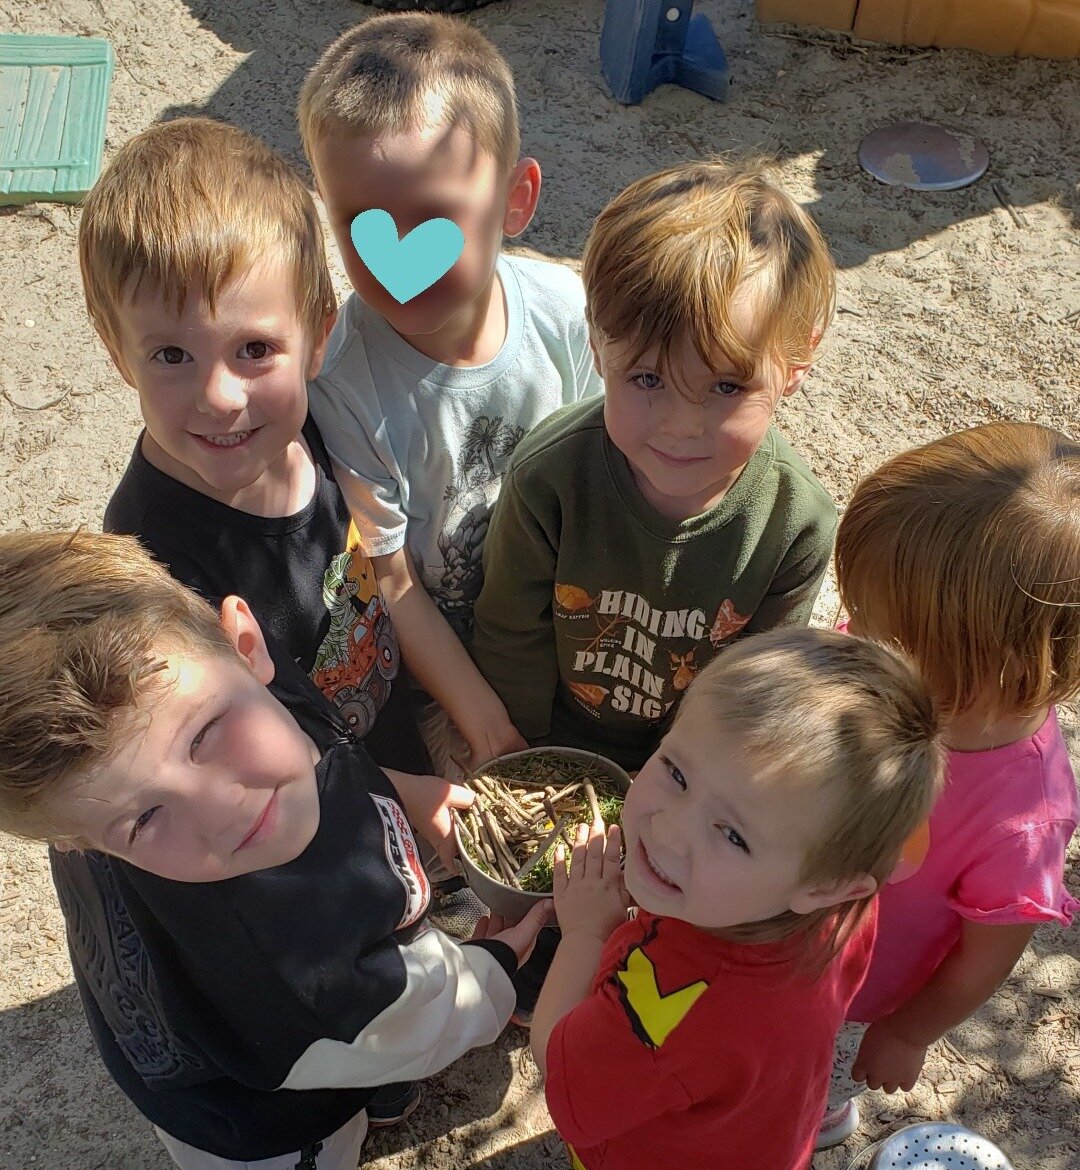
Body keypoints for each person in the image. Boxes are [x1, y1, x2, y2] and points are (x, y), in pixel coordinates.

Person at [0, 529, 551, 1170]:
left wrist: (406, 786)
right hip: (253, 1115)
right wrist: (495, 968)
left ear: (246, 644)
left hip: (185, 1043)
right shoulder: (287, 964)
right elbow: (412, 1020)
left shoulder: (133, 775)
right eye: (147, 815)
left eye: (205, 734)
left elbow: (330, 755)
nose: (222, 810)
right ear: (80, 840)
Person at [497, 628, 945, 1170]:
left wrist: (584, 933)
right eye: (675, 770)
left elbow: (561, 1071)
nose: (667, 831)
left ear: (823, 882)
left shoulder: (671, 1005)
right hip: (745, 1148)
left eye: (732, 835)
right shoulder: (840, 903)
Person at [299, 13, 602, 773]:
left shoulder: (564, 312)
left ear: (515, 200)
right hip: (443, 666)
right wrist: (487, 722)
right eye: (362, 225)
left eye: (437, 222)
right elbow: (391, 578)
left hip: (564, 625)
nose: (400, 261)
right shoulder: (343, 380)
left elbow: (606, 468)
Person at [83, 116, 427, 780]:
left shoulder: (320, 421)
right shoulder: (152, 554)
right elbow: (234, 753)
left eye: (255, 350)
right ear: (118, 354)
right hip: (310, 817)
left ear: (318, 336)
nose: (218, 396)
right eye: (172, 354)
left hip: (392, 734)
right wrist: (401, 797)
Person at [472, 158, 838, 775]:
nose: (680, 424)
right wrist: (529, 762)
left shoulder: (796, 524)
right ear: (598, 347)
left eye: (726, 387)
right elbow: (511, 635)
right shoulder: (548, 480)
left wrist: (676, 781)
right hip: (548, 736)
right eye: (646, 378)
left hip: (687, 764)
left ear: (795, 364)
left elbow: (753, 693)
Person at [819, 423, 1080, 1146]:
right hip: (786, 917)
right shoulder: (891, 657)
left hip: (858, 995)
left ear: (1003, 666)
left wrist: (908, 1031)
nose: (855, 636)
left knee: (818, 1067)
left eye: (882, 633)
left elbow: (983, 958)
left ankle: (824, 1112)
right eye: (860, 615)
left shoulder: (1022, 817)